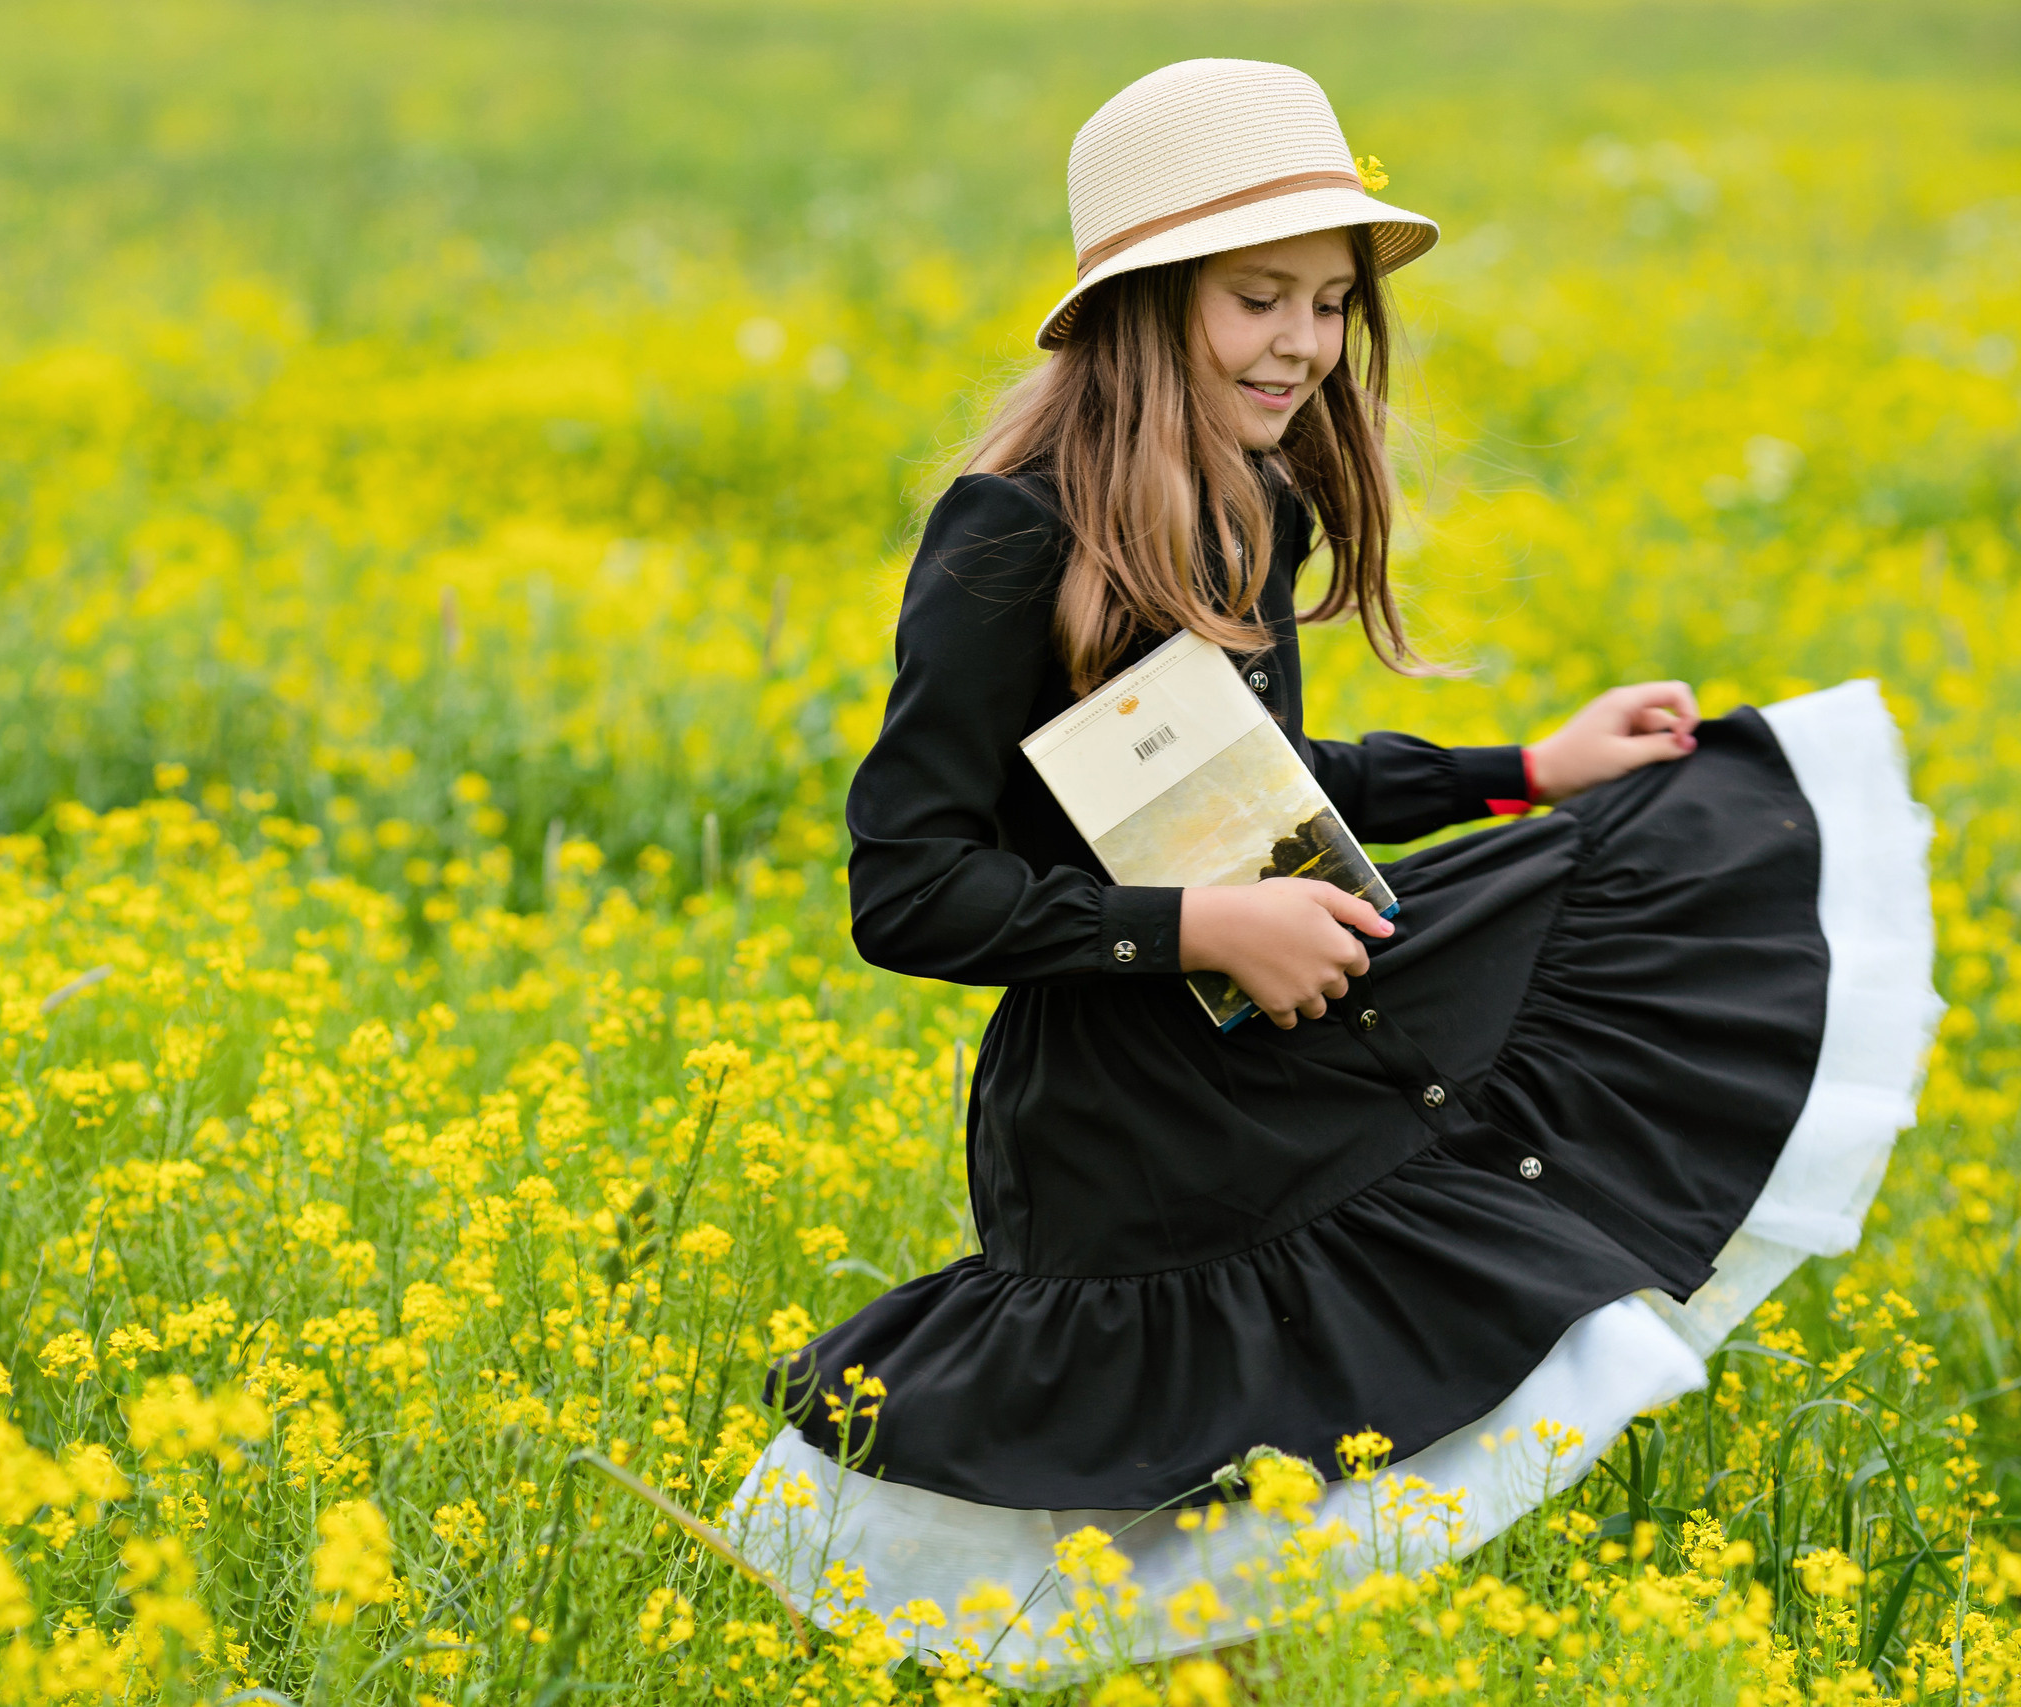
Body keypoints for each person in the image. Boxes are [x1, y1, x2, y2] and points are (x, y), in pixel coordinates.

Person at [726, 57, 1940, 1682]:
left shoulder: (1248, 502)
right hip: (1120, 1110)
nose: (1302, 343)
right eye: (1258, 299)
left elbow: (1256, 790)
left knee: (1661, 858)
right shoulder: (1008, 534)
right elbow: (909, 885)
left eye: (1327, 304)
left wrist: (1524, 772)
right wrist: (1203, 926)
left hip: (1264, 1045)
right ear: (1147, 305)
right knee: (1137, 1499)